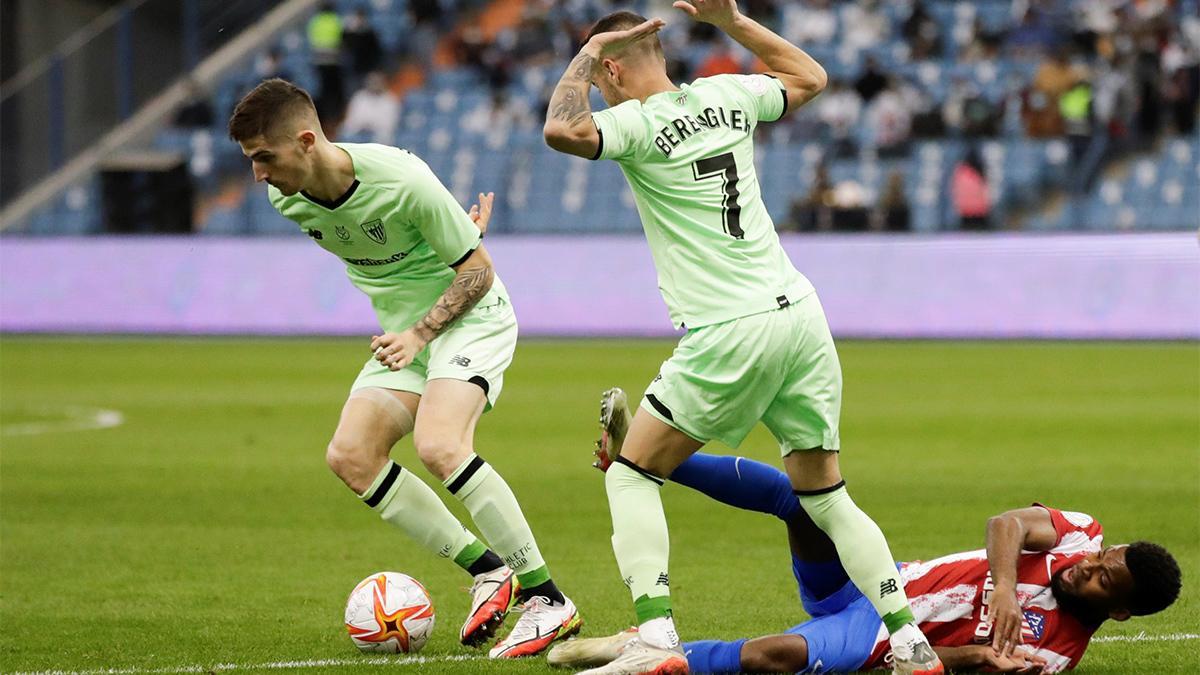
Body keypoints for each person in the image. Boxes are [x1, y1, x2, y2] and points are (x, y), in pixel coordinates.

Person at [542, 2, 941, 673]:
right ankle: (910, 640)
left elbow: (560, 126)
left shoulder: (635, 124)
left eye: (602, 73)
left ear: (610, 67)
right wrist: (731, 19)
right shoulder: (730, 95)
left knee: (632, 471)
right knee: (825, 494)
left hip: (731, 326)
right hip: (800, 315)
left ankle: (656, 639)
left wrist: (587, 53)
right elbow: (810, 77)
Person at [226, 78, 580, 658]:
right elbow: (396, 254)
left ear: (308, 140)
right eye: (250, 161)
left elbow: (478, 272)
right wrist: (450, 244)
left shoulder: (402, 179)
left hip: (471, 320)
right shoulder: (287, 200)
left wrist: (432, 307)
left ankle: (548, 600)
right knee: (351, 455)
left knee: (441, 444)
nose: (258, 176)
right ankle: (489, 571)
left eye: (265, 157)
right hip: (405, 337)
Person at [552, 416, 1182, 673]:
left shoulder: (1055, 656)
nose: (1087, 568)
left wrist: (977, 659)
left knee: (773, 658)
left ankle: (649, 654)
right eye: (1105, 558)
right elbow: (1006, 525)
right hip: (877, 580)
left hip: (889, 635)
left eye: (1103, 580)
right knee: (797, 498)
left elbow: (957, 668)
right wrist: (1011, 591)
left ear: (1118, 610)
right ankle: (639, 456)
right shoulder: (1080, 533)